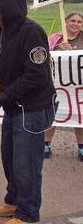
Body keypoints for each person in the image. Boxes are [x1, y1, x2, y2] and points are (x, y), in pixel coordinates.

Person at [0, 0, 56, 224]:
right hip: (14, 107)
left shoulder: (31, 33)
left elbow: (35, 76)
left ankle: (29, 214)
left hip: (32, 109)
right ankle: (14, 201)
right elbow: (1, 64)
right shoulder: (3, 32)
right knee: (10, 159)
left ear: (8, 8)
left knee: (27, 163)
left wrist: (3, 97)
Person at [45, 12, 83, 160]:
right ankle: (46, 144)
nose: (76, 24)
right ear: (65, 22)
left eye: (79, 22)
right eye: (72, 21)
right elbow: (41, 55)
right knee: (54, 113)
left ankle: (81, 147)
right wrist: (56, 49)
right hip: (57, 84)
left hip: (78, 86)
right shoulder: (54, 38)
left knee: (79, 114)